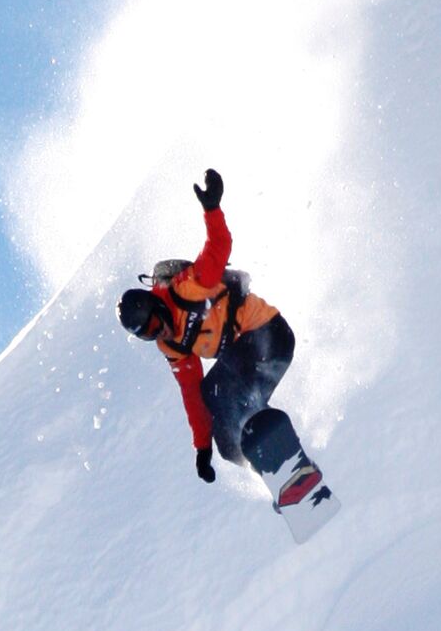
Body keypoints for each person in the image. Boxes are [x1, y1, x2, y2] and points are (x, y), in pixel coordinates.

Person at [117, 168, 322, 508]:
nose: (160, 332)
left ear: (157, 305)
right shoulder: (171, 346)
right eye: (149, 335)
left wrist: (211, 208)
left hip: (269, 335)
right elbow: (190, 395)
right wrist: (202, 447)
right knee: (227, 440)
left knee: (220, 394)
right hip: (249, 361)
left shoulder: (187, 288)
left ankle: (282, 460)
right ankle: (289, 477)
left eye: (156, 323)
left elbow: (218, 248)